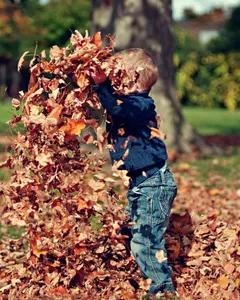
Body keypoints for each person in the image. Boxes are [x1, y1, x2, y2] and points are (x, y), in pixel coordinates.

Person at [92, 48, 178, 296]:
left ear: (130, 78)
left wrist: (102, 87)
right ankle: (148, 271)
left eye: (116, 77)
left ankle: (162, 288)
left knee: (146, 240)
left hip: (154, 185)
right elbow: (112, 105)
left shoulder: (140, 105)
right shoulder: (128, 103)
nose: (112, 82)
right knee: (133, 230)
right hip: (142, 186)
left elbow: (117, 108)